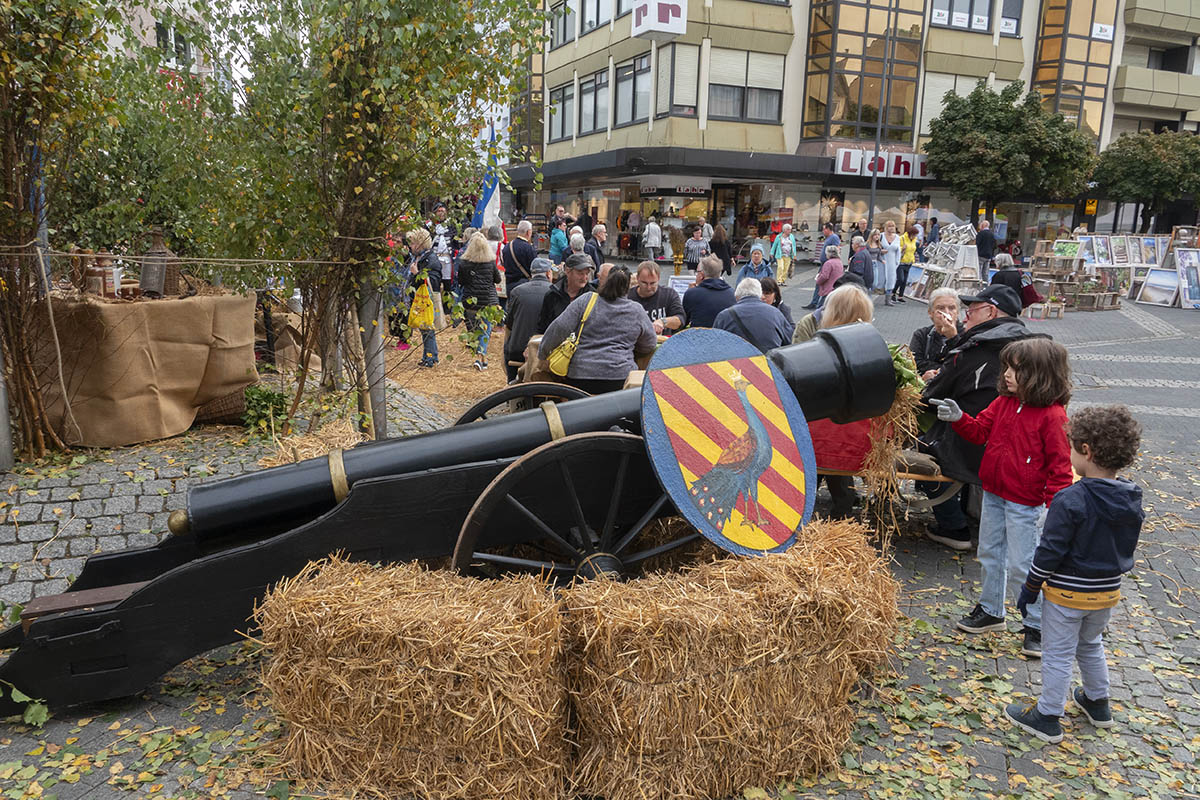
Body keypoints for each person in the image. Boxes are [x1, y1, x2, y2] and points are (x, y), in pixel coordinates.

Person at [1003, 405, 1144, 744]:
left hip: (1067, 594)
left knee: (1058, 652)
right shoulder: (1131, 497)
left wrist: (1031, 586)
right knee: (1090, 643)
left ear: (1086, 451)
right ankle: (1098, 701)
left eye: (1072, 448)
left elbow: (1049, 551)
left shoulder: (1070, 499)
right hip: (1107, 593)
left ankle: (1048, 715)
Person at [930, 337, 1073, 658]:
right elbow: (981, 430)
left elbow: (1061, 469)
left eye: (1016, 369)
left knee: (1025, 564)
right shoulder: (1005, 402)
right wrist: (960, 419)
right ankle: (992, 610)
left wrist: (1056, 510)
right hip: (993, 493)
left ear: (1040, 374)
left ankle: (1036, 625)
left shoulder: (1053, 417)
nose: (1006, 374)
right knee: (991, 554)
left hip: (1026, 504)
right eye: (1007, 367)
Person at [919, 285, 1035, 552]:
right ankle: (969, 512)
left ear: (991, 311)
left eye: (970, 310)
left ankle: (953, 526)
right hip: (1019, 450)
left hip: (974, 445)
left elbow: (931, 395)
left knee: (919, 446)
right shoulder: (1032, 345)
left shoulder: (974, 349)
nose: (965, 316)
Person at [794, 284, 876, 517]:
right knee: (838, 477)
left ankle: (804, 512)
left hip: (821, 437)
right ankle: (842, 515)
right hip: (856, 441)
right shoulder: (871, 345)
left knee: (811, 471)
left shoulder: (821, 347)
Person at [538, 266, 657, 394]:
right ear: (628, 286)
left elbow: (559, 328)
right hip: (619, 377)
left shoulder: (587, 300)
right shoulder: (636, 310)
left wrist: (542, 354)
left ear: (607, 281)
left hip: (581, 375)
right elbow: (650, 343)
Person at [503, 257, 554, 381]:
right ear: (548, 273)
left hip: (517, 351)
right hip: (544, 353)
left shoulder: (517, 292)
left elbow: (509, 324)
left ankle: (511, 385)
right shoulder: (555, 293)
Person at [457, 233, 502, 370]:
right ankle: (481, 357)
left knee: (473, 330)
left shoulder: (464, 264)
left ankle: (479, 358)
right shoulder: (490, 263)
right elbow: (498, 279)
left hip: (470, 302)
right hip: (488, 301)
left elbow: (461, 282)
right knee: (485, 330)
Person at [714, 278, 792, 353]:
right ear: (759, 294)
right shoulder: (776, 313)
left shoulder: (724, 316)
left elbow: (715, 345)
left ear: (737, 297)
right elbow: (789, 341)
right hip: (767, 363)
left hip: (736, 363)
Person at [404, 228, 442, 367]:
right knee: (424, 329)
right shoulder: (419, 257)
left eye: (413, 243)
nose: (410, 246)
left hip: (426, 299)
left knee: (427, 329)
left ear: (421, 243)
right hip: (418, 298)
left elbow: (432, 280)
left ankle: (430, 358)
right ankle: (429, 356)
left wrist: (416, 273)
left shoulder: (430, 259)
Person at [909, 287, 963, 379]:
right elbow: (914, 363)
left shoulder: (967, 335)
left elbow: (964, 364)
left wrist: (953, 337)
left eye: (952, 308)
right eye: (941, 308)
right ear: (931, 312)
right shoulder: (922, 335)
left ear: (957, 312)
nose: (947, 313)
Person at [537, 253, 595, 334]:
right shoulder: (552, 295)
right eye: (580, 273)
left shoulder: (593, 296)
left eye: (587, 273)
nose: (584, 277)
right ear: (568, 271)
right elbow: (542, 327)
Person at [629, 261, 686, 335]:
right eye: (644, 283)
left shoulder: (669, 294)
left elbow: (680, 320)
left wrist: (663, 322)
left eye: (652, 283)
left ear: (658, 279)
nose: (648, 288)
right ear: (637, 278)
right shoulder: (628, 297)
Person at [683, 255, 734, 328]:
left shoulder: (692, 294)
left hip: (699, 336)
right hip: (724, 336)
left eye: (697, 272)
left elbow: (683, 321)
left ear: (701, 275)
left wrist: (690, 292)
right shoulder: (732, 293)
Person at [804, 222, 842, 309]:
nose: (823, 231)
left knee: (822, 281)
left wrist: (831, 260)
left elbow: (837, 248)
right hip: (824, 263)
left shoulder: (834, 237)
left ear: (828, 229)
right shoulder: (828, 238)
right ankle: (815, 301)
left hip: (828, 264)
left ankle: (817, 302)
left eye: (824, 229)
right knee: (819, 281)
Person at [427, 201, 459, 289]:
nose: (441, 213)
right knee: (434, 282)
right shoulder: (429, 226)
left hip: (447, 259)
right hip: (434, 258)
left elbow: (456, 242)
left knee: (447, 283)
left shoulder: (451, 226)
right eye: (439, 211)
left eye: (443, 211)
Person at [502, 220, 537, 295]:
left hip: (509, 284)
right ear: (528, 232)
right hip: (524, 284)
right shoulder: (529, 248)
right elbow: (534, 268)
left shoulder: (507, 246)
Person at [891, 224, 918, 304]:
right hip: (901, 262)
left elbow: (913, 250)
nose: (915, 236)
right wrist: (902, 249)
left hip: (909, 262)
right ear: (910, 233)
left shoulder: (914, 240)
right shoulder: (901, 238)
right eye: (914, 234)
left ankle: (900, 296)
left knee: (904, 281)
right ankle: (893, 293)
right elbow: (896, 249)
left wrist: (913, 259)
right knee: (900, 279)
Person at [878, 220, 902, 306]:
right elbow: (874, 247)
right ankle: (871, 295)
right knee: (879, 278)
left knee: (891, 279)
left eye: (893, 226)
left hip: (892, 262)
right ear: (886, 227)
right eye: (889, 226)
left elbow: (898, 250)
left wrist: (897, 262)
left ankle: (888, 299)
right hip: (881, 261)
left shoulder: (897, 237)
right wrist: (880, 251)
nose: (891, 227)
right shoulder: (880, 236)